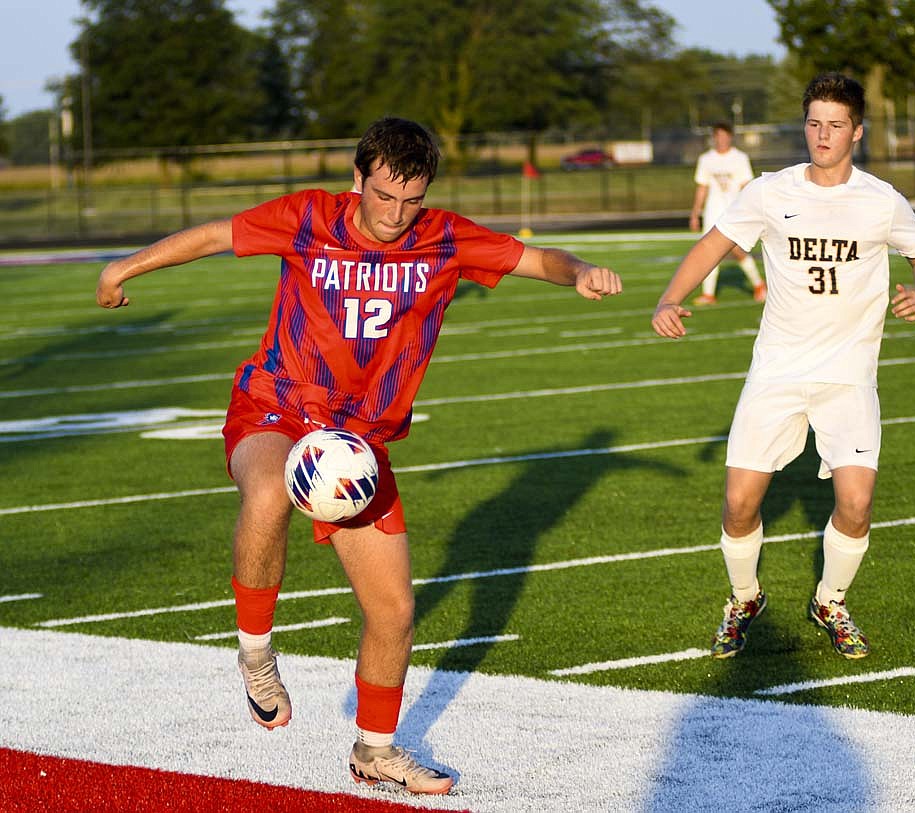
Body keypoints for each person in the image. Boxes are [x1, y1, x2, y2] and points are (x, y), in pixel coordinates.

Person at [96, 117, 622, 795]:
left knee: (395, 610)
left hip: (356, 444)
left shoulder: (443, 236)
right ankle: (256, 653)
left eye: (411, 200)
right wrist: (123, 266)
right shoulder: (308, 217)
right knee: (266, 493)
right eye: (383, 196)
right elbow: (215, 235)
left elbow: (534, 257)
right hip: (278, 406)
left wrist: (577, 270)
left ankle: (374, 750)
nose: (396, 214)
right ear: (358, 179)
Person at [652, 73, 915, 660]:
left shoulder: (881, 200)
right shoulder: (771, 191)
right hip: (777, 372)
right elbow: (713, 244)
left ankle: (830, 601)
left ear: (856, 132)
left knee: (857, 503)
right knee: (739, 503)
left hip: (849, 377)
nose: (822, 135)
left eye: (835, 125)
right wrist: (668, 297)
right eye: (813, 123)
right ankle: (743, 599)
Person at [688, 122, 766, 305]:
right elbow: (702, 187)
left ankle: (758, 284)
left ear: (730, 137)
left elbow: (746, 185)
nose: (721, 139)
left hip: (734, 211)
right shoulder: (706, 159)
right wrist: (695, 213)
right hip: (712, 212)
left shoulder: (740, 158)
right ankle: (708, 294)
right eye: (718, 136)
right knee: (708, 251)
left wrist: (752, 211)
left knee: (737, 250)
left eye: (724, 136)